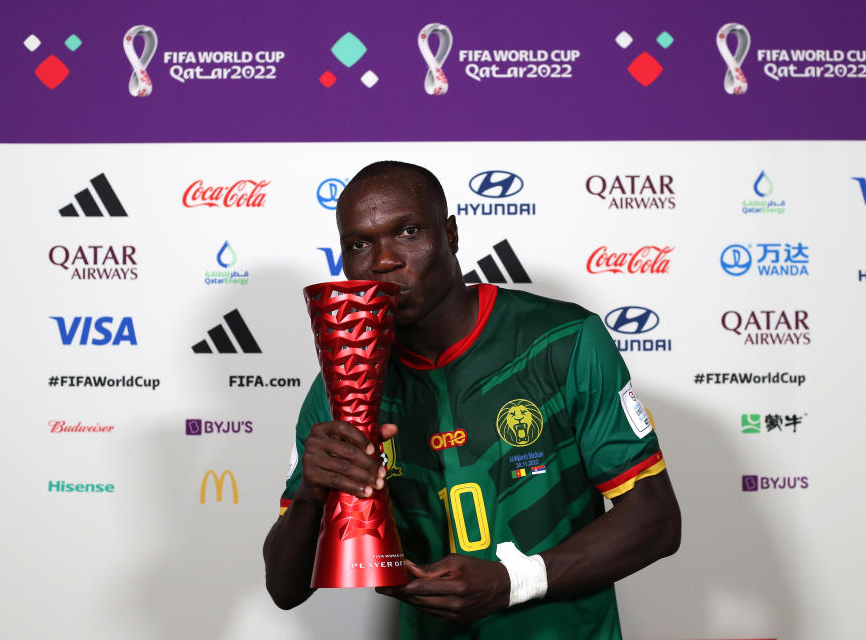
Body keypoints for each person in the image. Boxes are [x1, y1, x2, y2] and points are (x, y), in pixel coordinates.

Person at [263, 161, 681, 639]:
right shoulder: (341, 389)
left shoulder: (564, 341)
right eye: (359, 243)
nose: (383, 261)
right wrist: (313, 494)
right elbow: (284, 587)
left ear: (451, 235)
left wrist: (513, 582)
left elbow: (657, 519)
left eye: (408, 231)